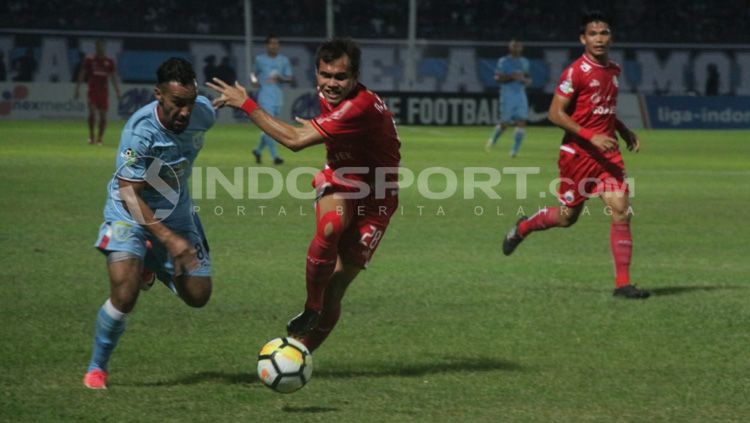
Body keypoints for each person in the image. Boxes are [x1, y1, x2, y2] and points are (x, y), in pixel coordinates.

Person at [208, 38, 400, 352]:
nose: (332, 84)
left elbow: (296, 141)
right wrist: (320, 128)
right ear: (316, 73)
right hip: (340, 179)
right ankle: (312, 307)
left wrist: (246, 103)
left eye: (341, 77)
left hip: (379, 196)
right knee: (330, 227)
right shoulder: (330, 95)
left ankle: (300, 355)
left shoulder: (360, 105)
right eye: (325, 75)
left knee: (336, 291)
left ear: (355, 77)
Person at [83, 58, 217, 389]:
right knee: (125, 292)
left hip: (177, 213)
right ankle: (97, 368)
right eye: (176, 104)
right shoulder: (139, 131)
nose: (185, 113)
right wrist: (168, 239)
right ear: (158, 94)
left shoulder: (204, 113)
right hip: (129, 210)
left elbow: (202, 110)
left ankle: (152, 264)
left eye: (189, 102)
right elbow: (129, 193)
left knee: (198, 295)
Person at [501, 11, 649, 299]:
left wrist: (622, 130)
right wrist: (590, 136)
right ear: (583, 39)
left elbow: (602, 110)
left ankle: (623, 284)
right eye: (593, 34)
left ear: (611, 37)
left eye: (604, 33)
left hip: (608, 156)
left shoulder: (614, 70)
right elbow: (555, 113)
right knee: (567, 218)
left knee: (621, 210)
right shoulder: (575, 72)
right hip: (578, 155)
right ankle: (524, 226)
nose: (599, 38)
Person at [250, 35, 294, 165]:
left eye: (276, 44)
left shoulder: (284, 60)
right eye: (272, 43)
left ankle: (258, 150)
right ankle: (275, 157)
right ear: (267, 45)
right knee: (270, 127)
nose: (274, 46)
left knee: (269, 127)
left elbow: (290, 78)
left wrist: (282, 78)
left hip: (277, 96)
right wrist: (254, 81)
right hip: (264, 95)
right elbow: (253, 73)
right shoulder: (260, 59)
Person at [485, 39, 531, 157]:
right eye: (514, 47)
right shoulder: (504, 61)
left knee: (521, 121)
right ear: (510, 48)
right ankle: (493, 140)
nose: (516, 49)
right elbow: (498, 78)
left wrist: (525, 80)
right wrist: (512, 76)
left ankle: (514, 151)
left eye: (518, 47)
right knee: (505, 123)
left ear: (521, 48)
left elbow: (528, 78)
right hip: (507, 94)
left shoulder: (525, 62)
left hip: (520, 94)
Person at [74, 40, 122, 145]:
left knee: (103, 116)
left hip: (103, 91)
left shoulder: (109, 61)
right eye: (98, 46)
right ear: (95, 47)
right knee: (92, 111)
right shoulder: (90, 60)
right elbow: (82, 73)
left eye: (102, 46)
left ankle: (100, 138)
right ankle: (91, 136)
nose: (100, 48)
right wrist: (77, 88)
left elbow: (113, 77)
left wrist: (117, 91)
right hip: (92, 90)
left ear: (104, 47)